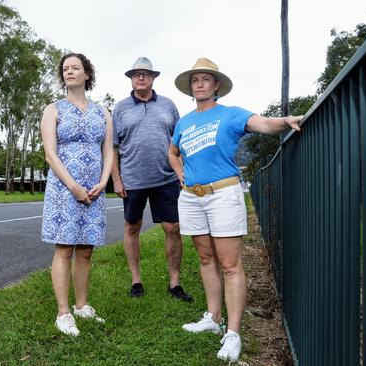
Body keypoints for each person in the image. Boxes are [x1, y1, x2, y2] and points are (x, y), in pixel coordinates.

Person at [168, 57, 303, 362]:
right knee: (205, 258)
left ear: (216, 85)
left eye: (205, 79)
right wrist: (178, 170)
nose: (199, 84)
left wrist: (285, 121)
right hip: (190, 197)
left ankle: (234, 332)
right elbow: (172, 151)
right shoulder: (184, 122)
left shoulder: (230, 115)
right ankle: (213, 319)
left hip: (223, 194)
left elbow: (264, 123)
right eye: (195, 80)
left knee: (230, 265)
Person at [40, 52, 114, 336]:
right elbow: (50, 154)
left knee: (85, 250)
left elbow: (108, 151)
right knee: (64, 248)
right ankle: (63, 312)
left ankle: (82, 306)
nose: (69, 71)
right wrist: (73, 186)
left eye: (75, 68)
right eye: (65, 68)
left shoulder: (103, 112)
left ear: (87, 74)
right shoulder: (53, 109)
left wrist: (103, 181)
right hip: (64, 189)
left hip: (94, 191)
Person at [111, 57, 192, 302]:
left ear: (153, 78)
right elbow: (113, 147)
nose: (141, 78)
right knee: (132, 227)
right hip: (133, 180)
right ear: (131, 79)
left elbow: (179, 142)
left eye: (145, 74)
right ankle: (136, 281)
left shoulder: (168, 105)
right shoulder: (121, 108)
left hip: (166, 178)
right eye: (136, 74)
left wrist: (182, 171)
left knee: (172, 228)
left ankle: (174, 283)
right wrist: (117, 179)